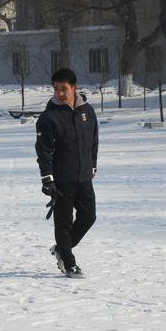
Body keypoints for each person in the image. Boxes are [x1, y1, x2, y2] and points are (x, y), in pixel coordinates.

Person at [35, 68, 98, 277]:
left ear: (74, 88)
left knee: (89, 216)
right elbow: (43, 151)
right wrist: (47, 179)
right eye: (56, 89)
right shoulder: (48, 117)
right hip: (61, 179)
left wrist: (93, 165)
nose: (59, 93)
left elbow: (93, 141)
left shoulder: (87, 112)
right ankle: (69, 263)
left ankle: (63, 248)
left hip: (83, 176)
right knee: (63, 222)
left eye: (64, 89)